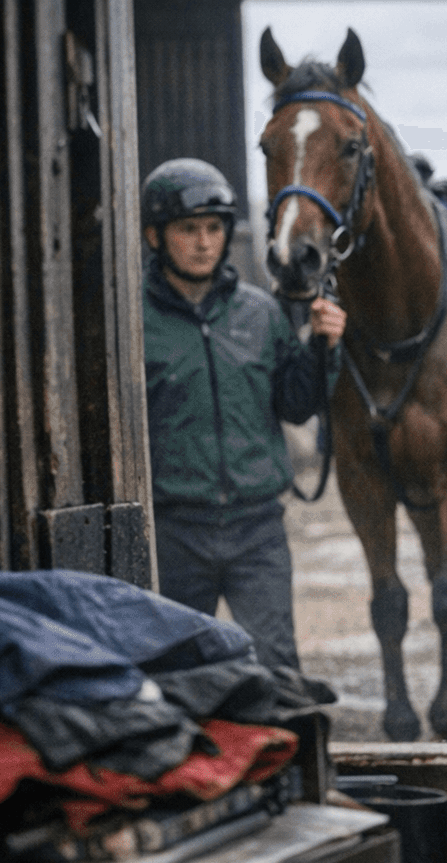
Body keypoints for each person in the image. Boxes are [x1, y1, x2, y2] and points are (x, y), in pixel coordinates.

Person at [140, 158, 346, 673]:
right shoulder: (132, 322)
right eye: (188, 229)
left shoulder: (260, 314)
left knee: (276, 666)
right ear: (154, 235)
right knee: (181, 673)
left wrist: (324, 348)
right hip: (174, 530)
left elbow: (297, 405)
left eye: (214, 228)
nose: (204, 242)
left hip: (257, 528)